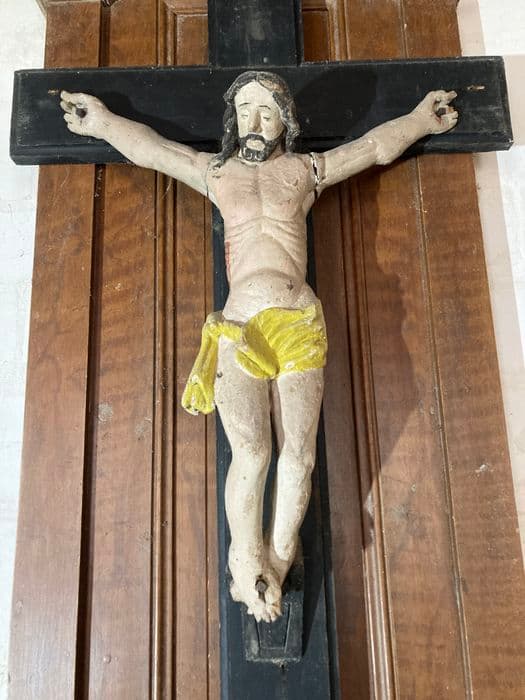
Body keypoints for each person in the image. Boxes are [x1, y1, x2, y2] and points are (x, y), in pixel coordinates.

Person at [60, 71, 457, 623]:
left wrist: (419, 120)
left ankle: (280, 555)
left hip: (298, 323)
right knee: (251, 452)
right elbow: (154, 151)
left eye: (267, 111)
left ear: (284, 122)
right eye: (246, 110)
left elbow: (370, 149)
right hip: (241, 323)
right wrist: (102, 123)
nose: (254, 121)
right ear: (233, 119)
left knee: (298, 455)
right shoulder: (217, 173)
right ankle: (246, 560)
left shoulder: (304, 171)